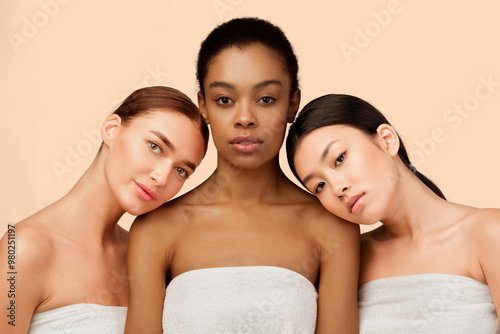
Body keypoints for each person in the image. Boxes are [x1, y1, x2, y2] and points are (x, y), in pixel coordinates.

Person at [125, 18, 359, 333]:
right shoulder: (155, 229)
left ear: (293, 103)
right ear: (203, 107)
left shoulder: (333, 226)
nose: (245, 118)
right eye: (225, 100)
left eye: (266, 99)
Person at [0, 86, 209, 333]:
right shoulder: (22, 248)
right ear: (112, 130)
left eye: (181, 170)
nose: (162, 178)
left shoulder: (144, 255)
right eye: (155, 146)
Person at [286, 93, 500, 333]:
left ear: (386, 140)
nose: (337, 188)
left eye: (340, 158)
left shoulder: (489, 234)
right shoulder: (349, 259)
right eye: (319, 186)